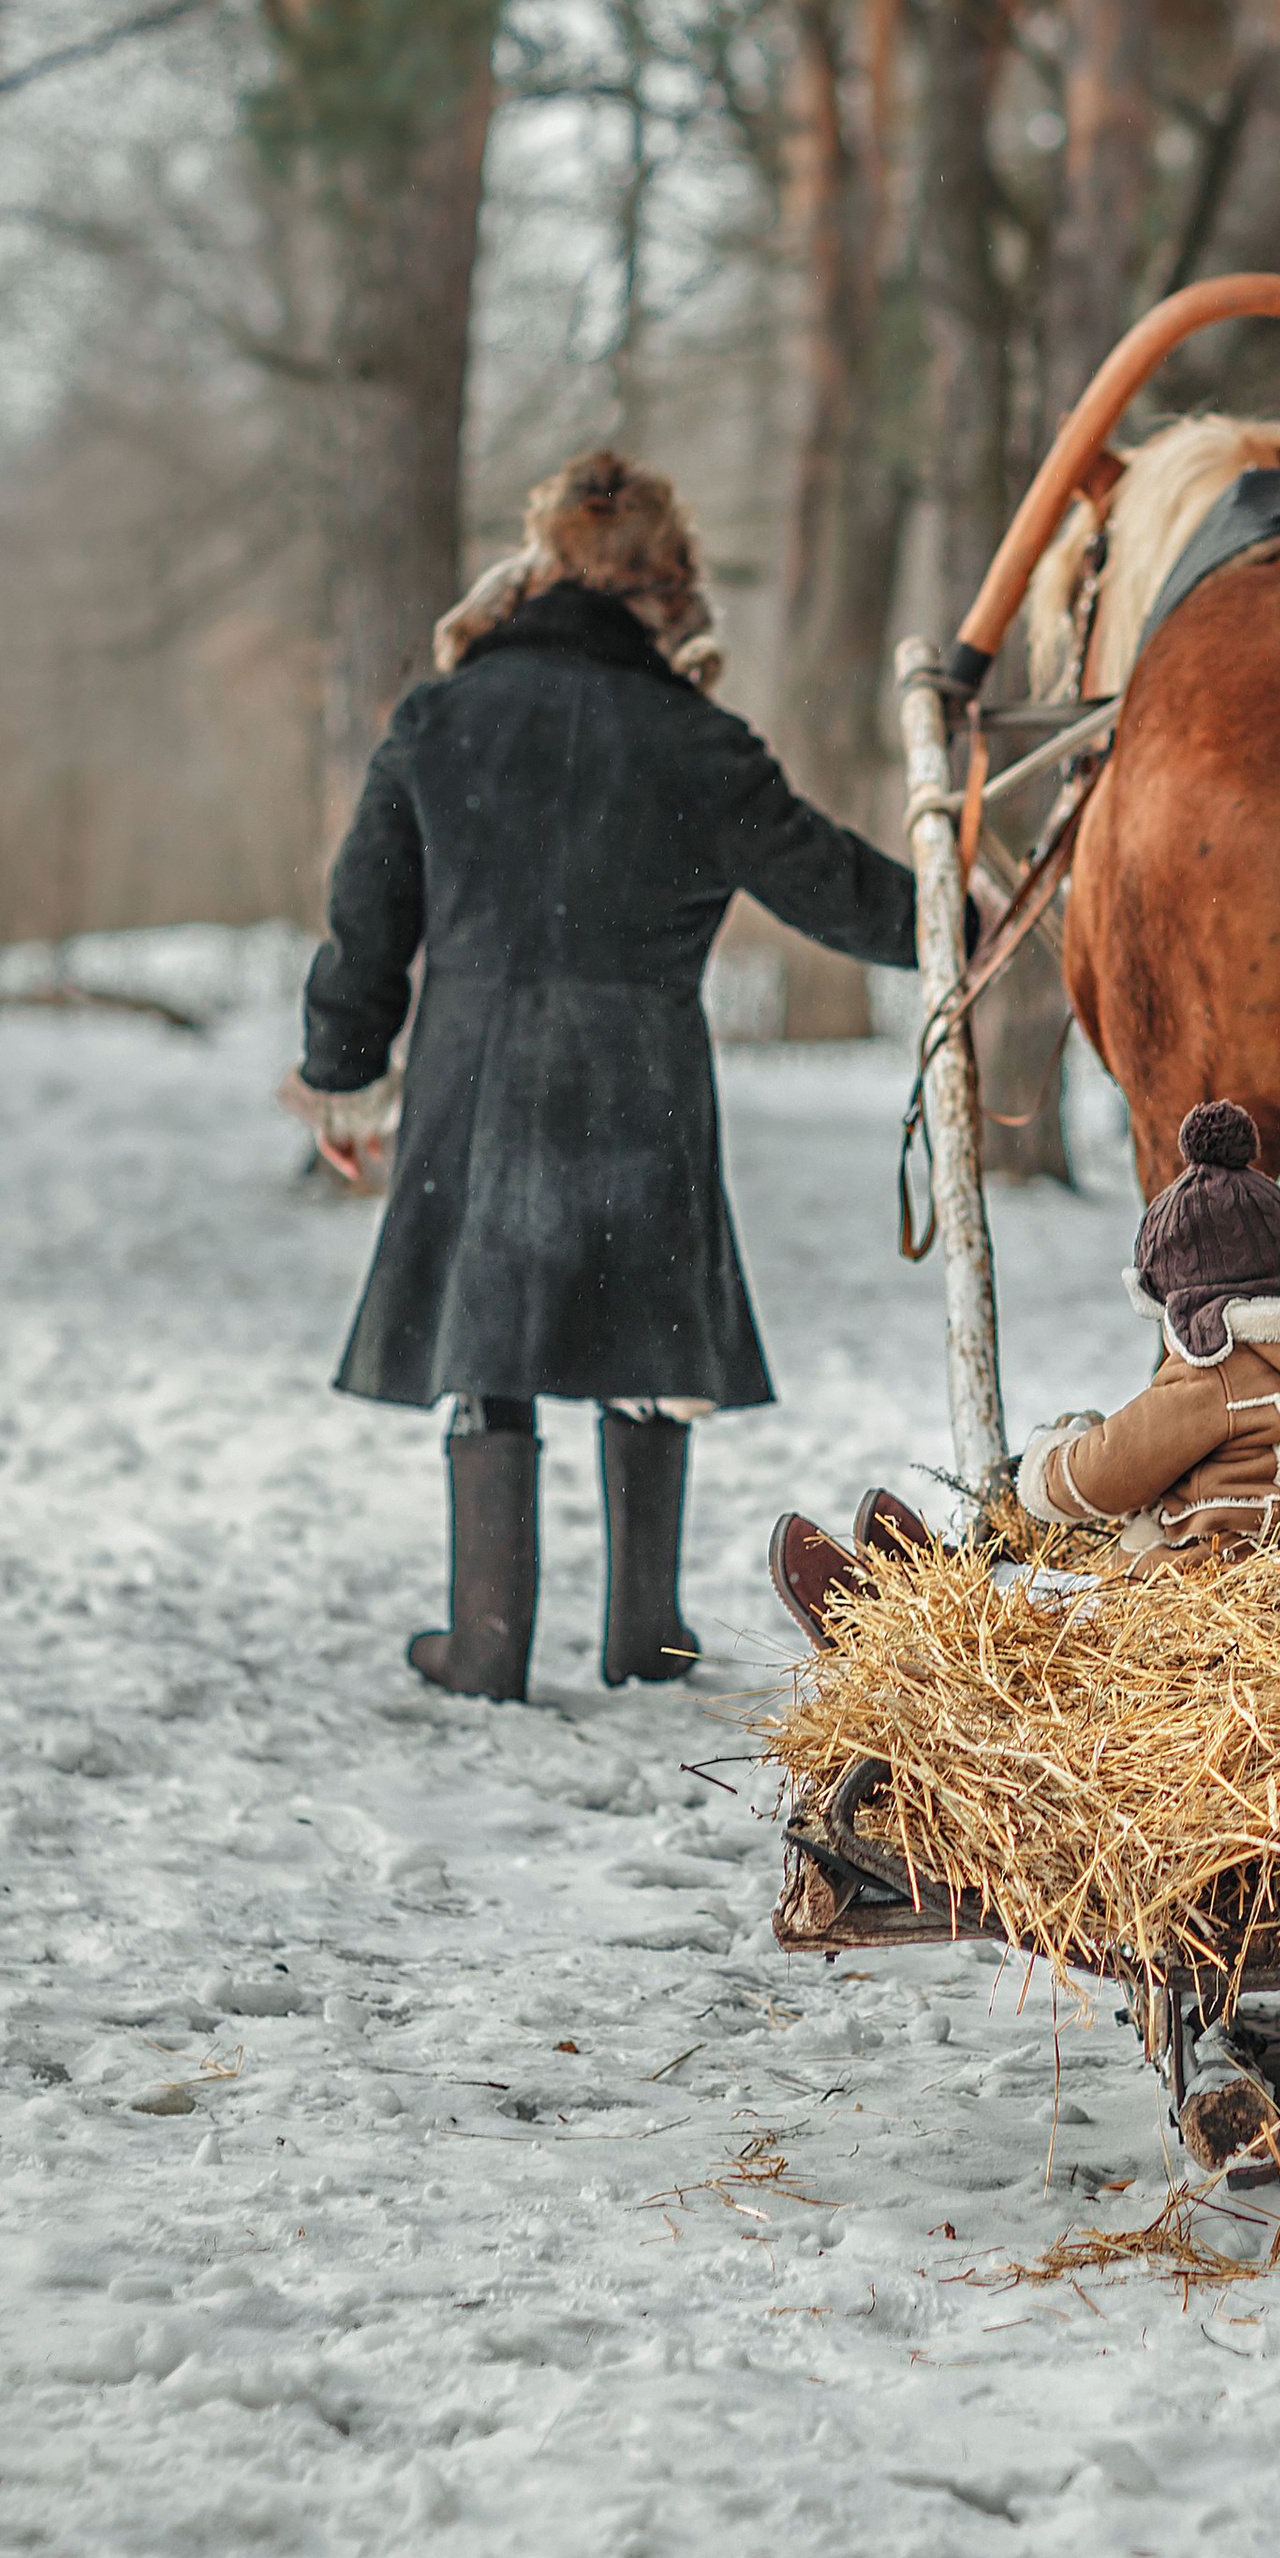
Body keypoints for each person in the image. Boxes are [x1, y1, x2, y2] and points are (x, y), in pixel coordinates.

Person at [281, 447, 934, 1705]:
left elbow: (366, 921)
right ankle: (649, 1634)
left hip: (474, 1075)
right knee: (644, 1344)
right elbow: (845, 894)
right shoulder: (696, 740)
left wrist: (343, 1075)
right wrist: (966, 904)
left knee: (489, 1350)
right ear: (671, 586)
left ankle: (484, 1645)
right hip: (642, 1079)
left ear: (542, 571)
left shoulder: (441, 720)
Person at [768, 1099, 1280, 1642]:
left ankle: (903, 1610)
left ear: (1186, 1307)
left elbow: (1097, 1476)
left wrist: (1052, 1455)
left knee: (1039, 1603)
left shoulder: (1215, 1376)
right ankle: (922, 1575)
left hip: (1194, 1602)